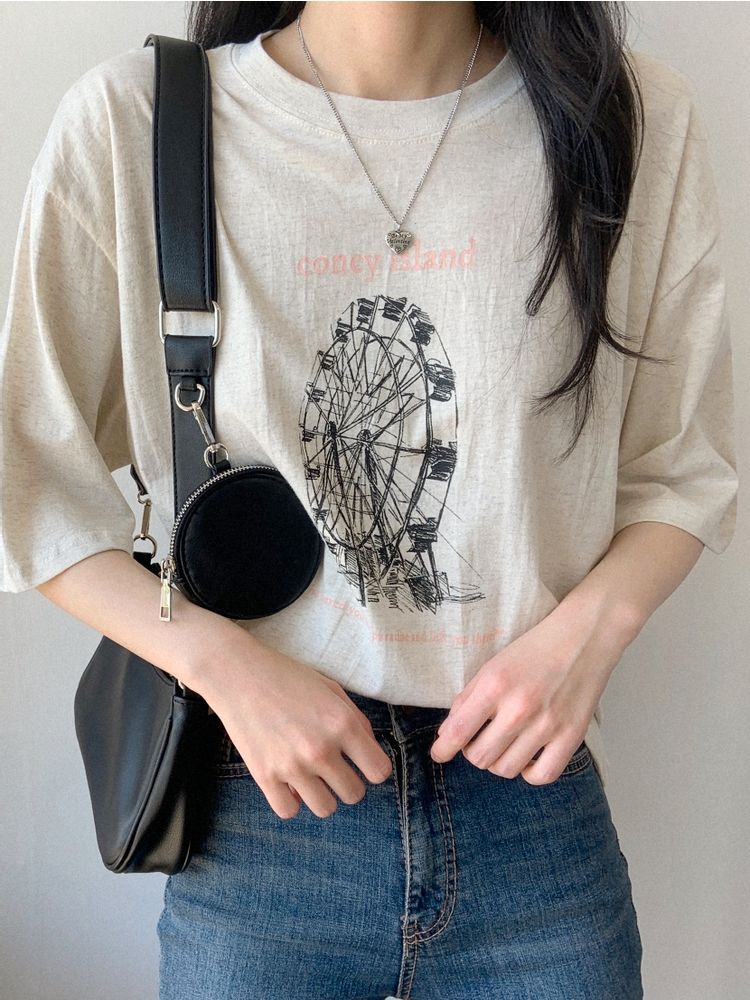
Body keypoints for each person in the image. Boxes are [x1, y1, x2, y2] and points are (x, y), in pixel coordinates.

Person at [0, 2, 738, 997]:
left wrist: (588, 636)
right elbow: (30, 482)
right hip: (260, 806)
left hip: (529, 803)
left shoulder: (627, 117)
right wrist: (220, 664)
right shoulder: (140, 122)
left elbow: (681, 462)